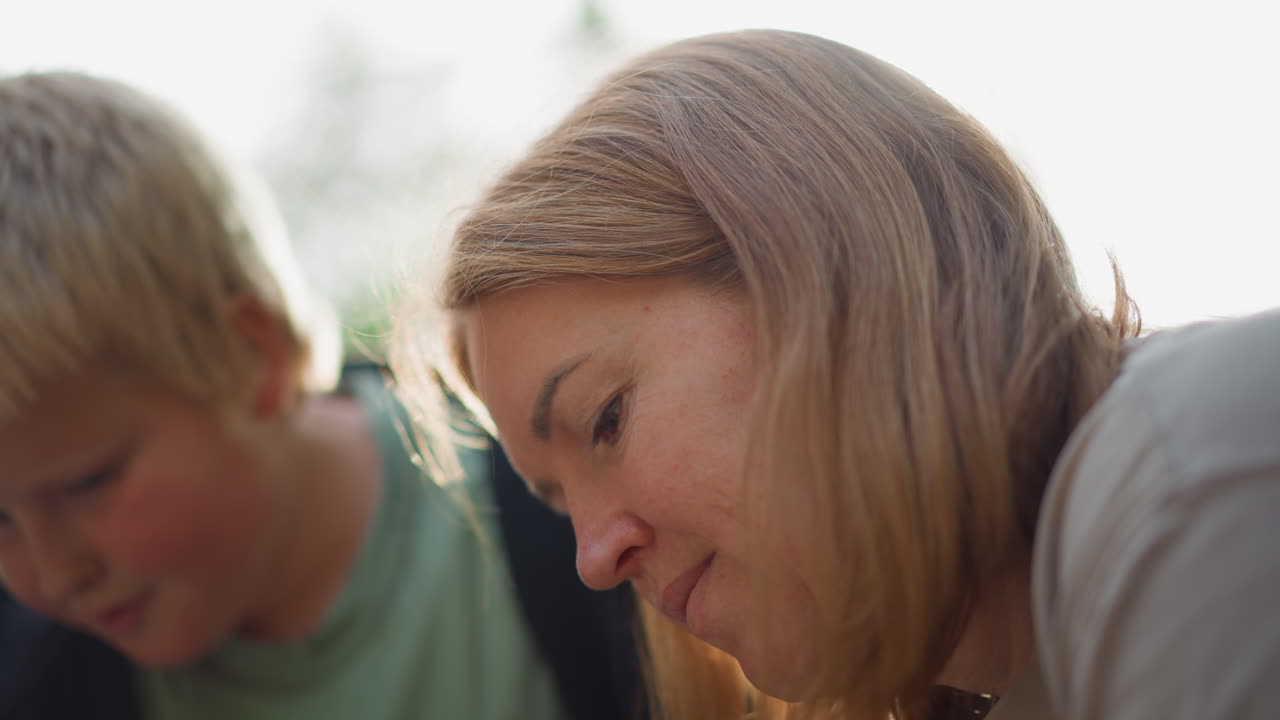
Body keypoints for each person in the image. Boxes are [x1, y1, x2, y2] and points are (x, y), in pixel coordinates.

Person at [392, 29, 1280, 720]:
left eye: (606, 420)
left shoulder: (1195, 492)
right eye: (557, 501)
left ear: (821, 265)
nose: (592, 559)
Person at [0, 72, 643, 720]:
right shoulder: (39, 681)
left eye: (89, 483)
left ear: (252, 358)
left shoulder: (579, 532)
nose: (54, 576)